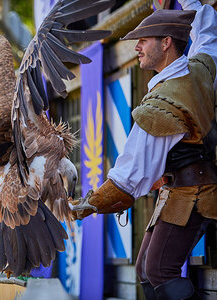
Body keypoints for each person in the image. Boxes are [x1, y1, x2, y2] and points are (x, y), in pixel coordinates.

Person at [71, 0, 217, 299]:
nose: (137, 47)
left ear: (166, 43)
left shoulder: (163, 102)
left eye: (143, 41)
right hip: (183, 190)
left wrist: (85, 206)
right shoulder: (198, 69)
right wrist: (190, 3)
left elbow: (131, 174)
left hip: (193, 194)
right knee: (145, 271)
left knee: (159, 272)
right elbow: (206, 34)